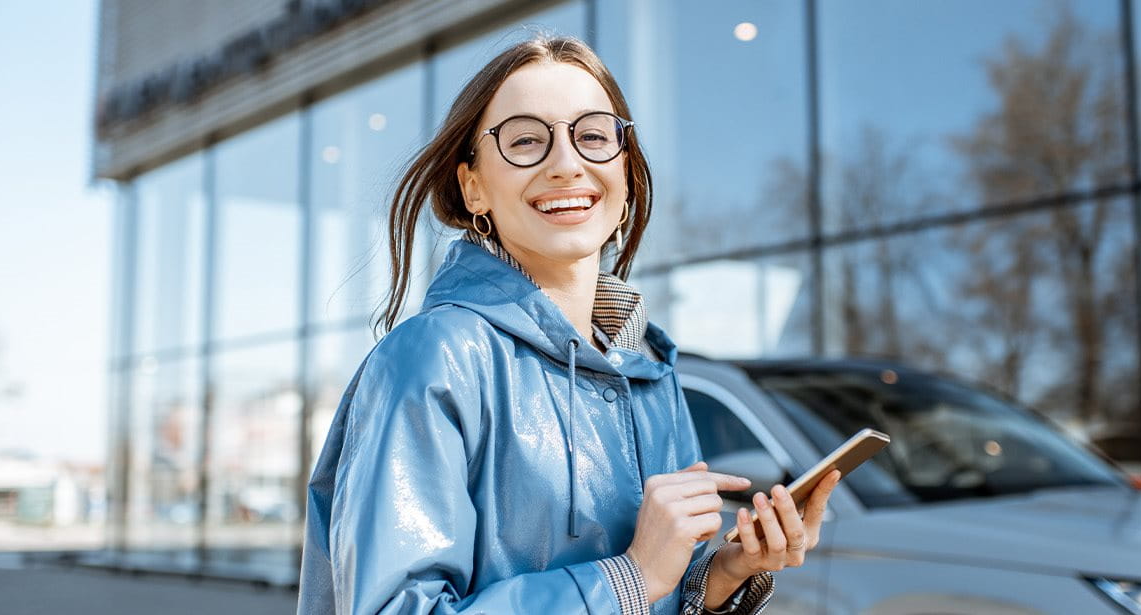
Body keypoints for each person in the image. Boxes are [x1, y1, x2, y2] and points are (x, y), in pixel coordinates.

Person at [296, 34, 841, 615]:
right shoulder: (435, 357)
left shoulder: (651, 372)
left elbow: (658, 591)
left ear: (625, 176)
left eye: (593, 136)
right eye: (527, 140)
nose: (566, 163)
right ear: (473, 187)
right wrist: (629, 577)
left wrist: (725, 574)